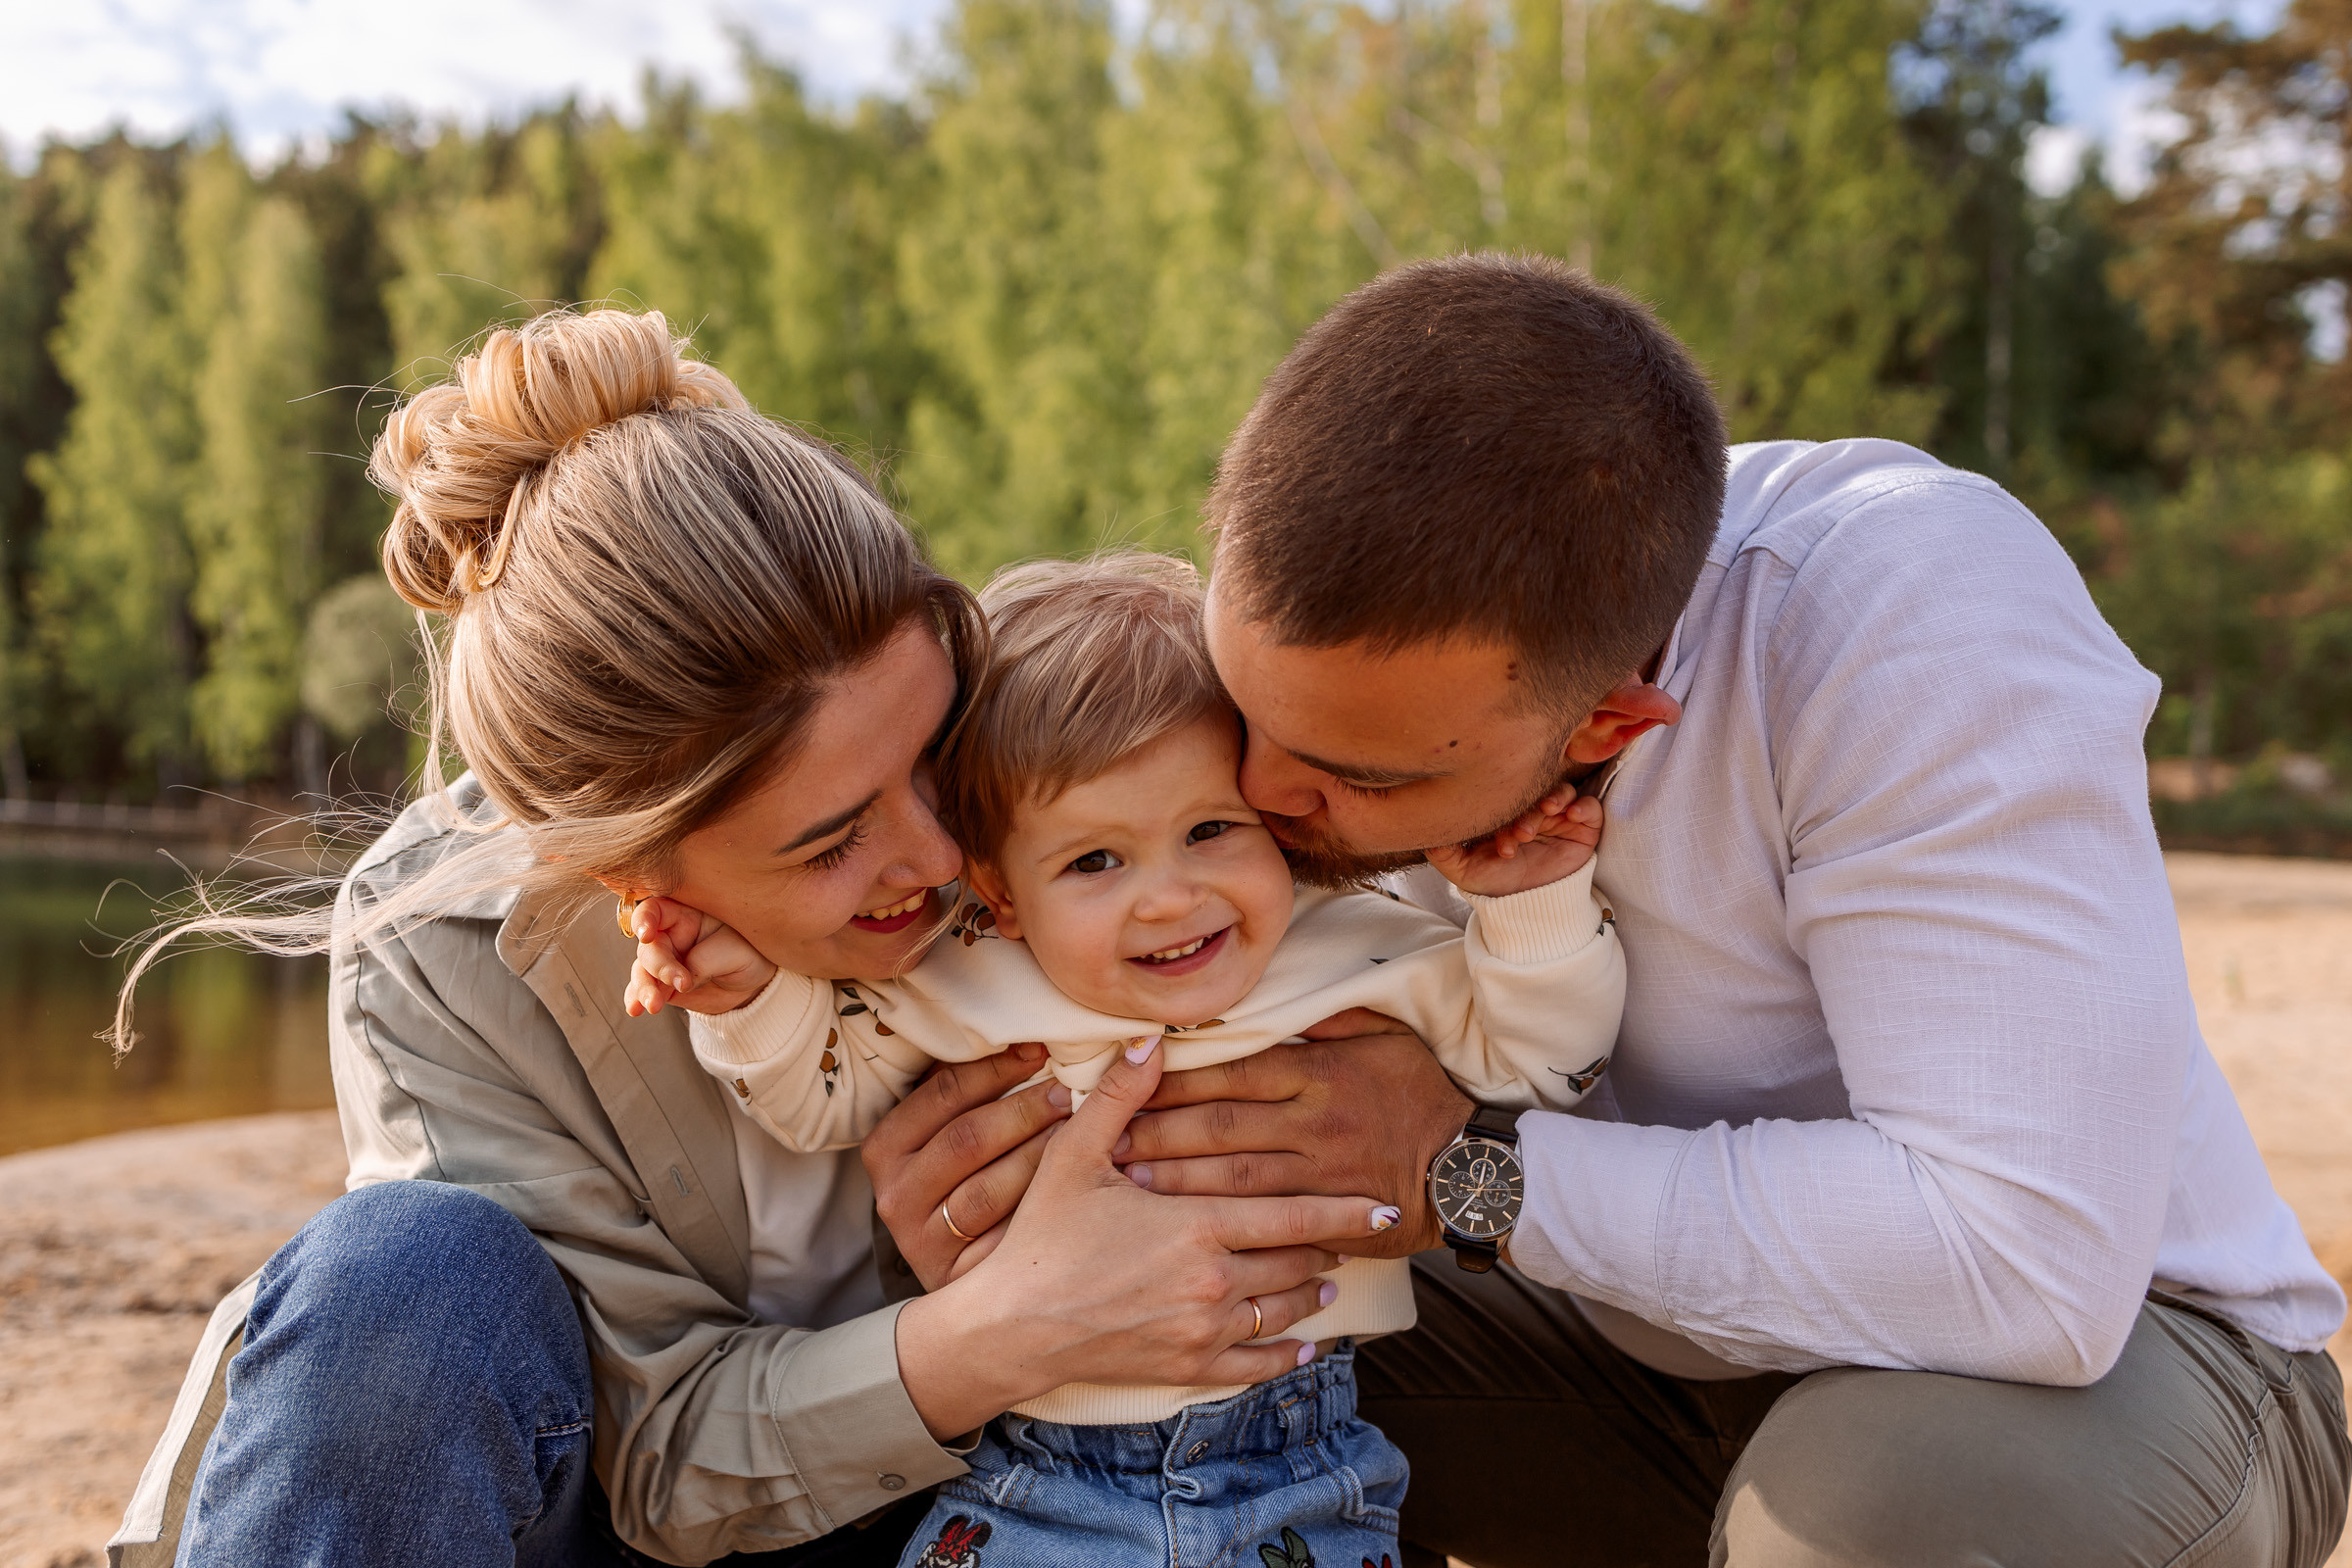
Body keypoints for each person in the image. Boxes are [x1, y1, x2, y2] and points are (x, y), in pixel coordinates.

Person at [877, 254, 2352, 1566]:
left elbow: (2023, 1262)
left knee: (1884, 1507)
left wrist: (1458, 1174)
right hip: (1622, 1350)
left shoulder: (1908, 616)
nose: (1259, 798)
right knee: (1122, 1331)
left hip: (2110, 1376)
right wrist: (981, 1211)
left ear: (1612, 721)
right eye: (1243, 712)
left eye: (1352, 774)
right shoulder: (1354, 674)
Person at [108, 308, 1396, 1568]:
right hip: (616, 1520)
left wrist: (1419, 1092)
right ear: (613, 859)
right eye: (832, 841)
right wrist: (1001, 1326)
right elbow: (650, 1458)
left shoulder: (1045, 772)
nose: (946, 862)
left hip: (989, 1506)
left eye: (936, 757)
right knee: (400, 1281)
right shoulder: (444, 944)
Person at [626, 552, 1622, 1568]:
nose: (1169, 895)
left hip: (1297, 1456)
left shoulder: (1349, 949)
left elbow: (1545, 1066)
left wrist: (1530, 904)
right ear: (999, 892)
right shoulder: (966, 973)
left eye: (1210, 829)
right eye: (1094, 860)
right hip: (1031, 1478)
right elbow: (817, 1102)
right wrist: (745, 993)